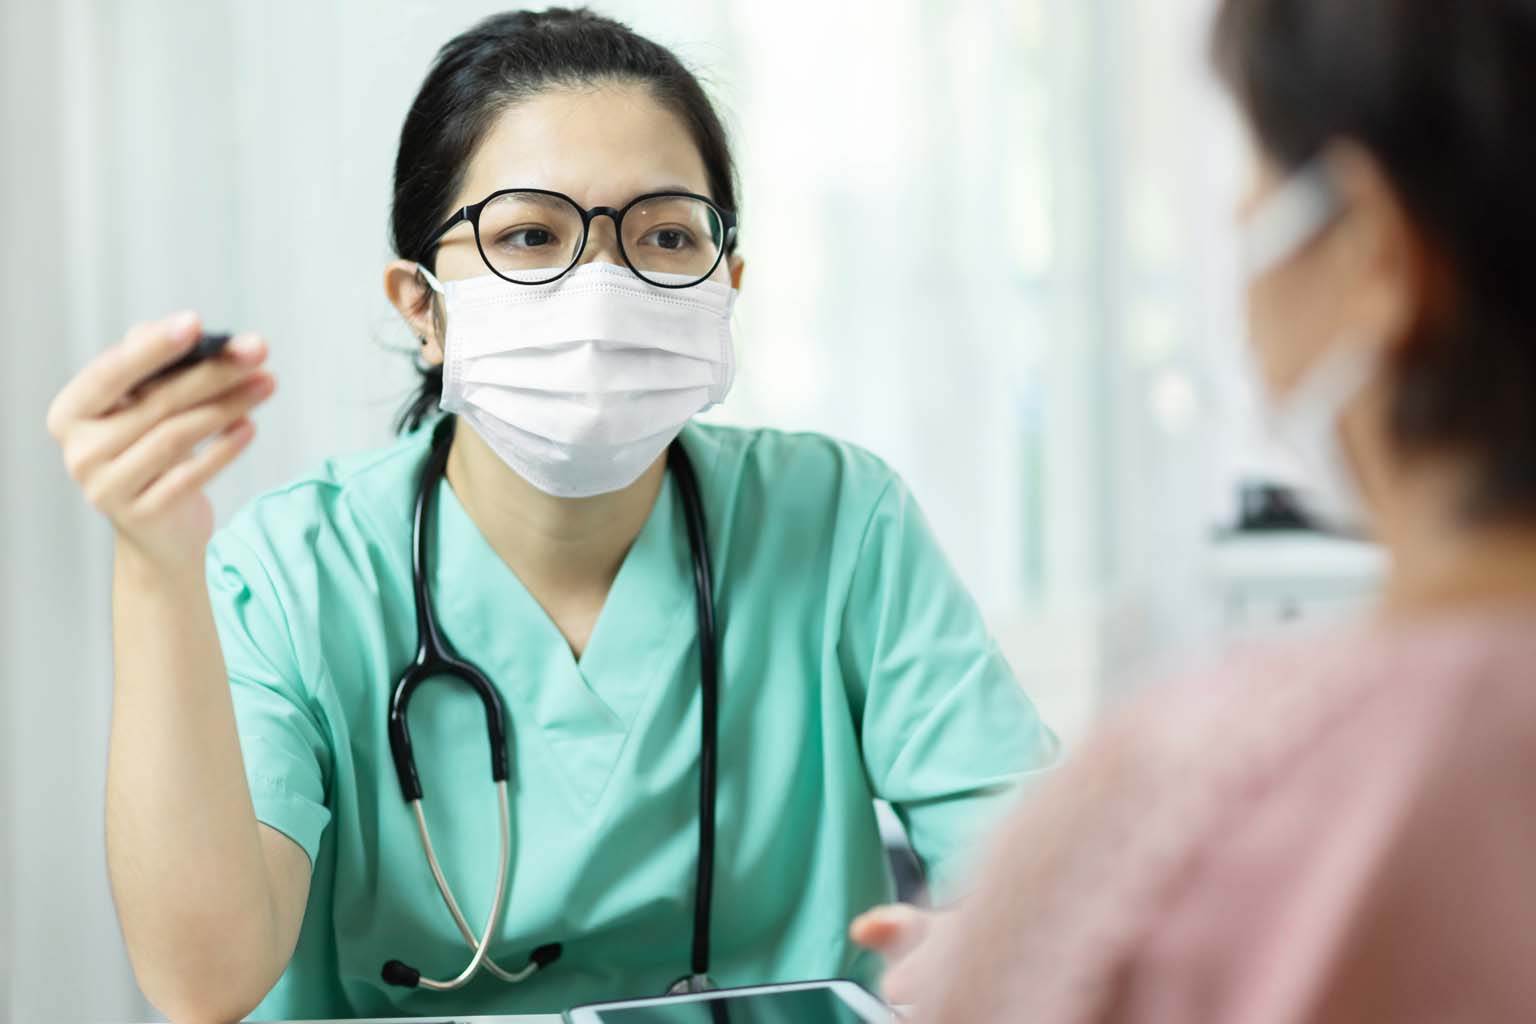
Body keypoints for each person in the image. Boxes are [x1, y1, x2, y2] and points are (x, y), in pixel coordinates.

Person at [43, 9, 1057, 1022]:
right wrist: (155, 558)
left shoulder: (838, 521)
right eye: (531, 235)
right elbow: (201, 981)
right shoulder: (296, 572)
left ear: (726, 286)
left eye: (665, 235)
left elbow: (1045, 879)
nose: (604, 288)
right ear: (421, 307)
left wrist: (991, 952)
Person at [857, 0, 1536, 1019]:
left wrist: (1041, 934)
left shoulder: (1187, 807)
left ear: (1373, 251)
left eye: (1255, 176)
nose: (1236, 231)